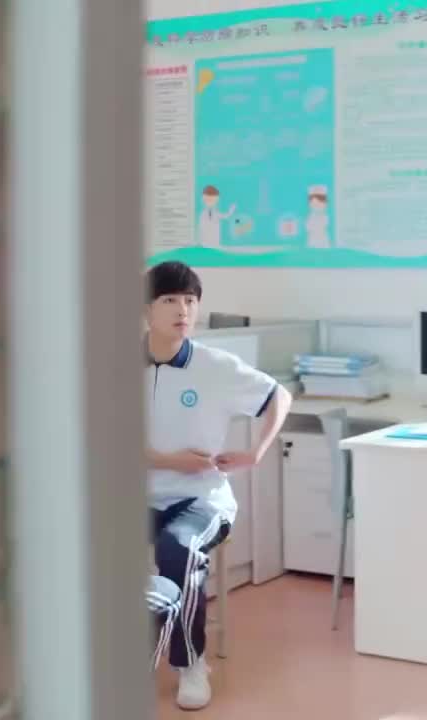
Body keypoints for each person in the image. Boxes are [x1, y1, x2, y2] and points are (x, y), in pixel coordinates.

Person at [143, 260, 292, 710]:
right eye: (170, 300)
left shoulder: (215, 366)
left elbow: (279, 396)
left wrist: (256, 452)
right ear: (146, 308)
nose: (183, 310)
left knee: (180, 548)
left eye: (190, 301)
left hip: (200, 499)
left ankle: (190, 662)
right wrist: (168, 461)